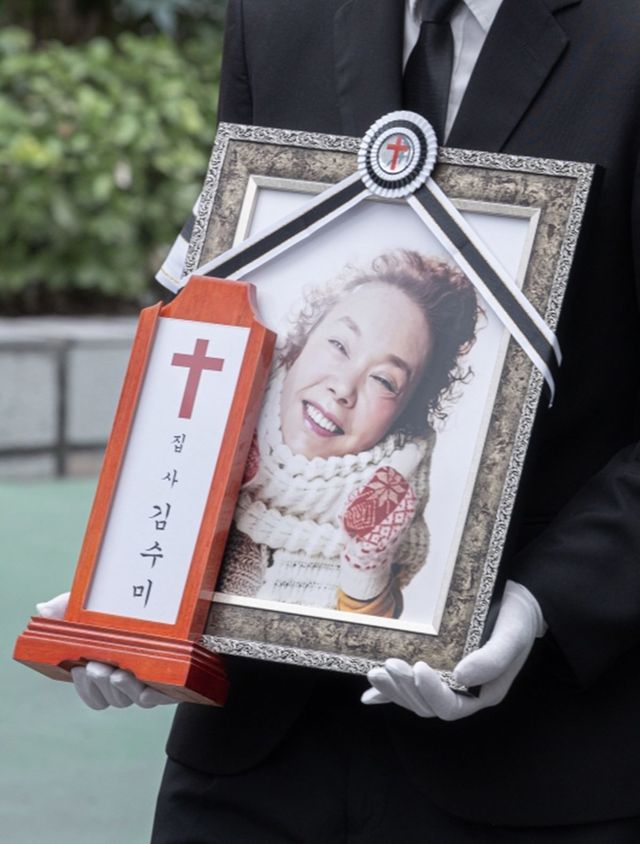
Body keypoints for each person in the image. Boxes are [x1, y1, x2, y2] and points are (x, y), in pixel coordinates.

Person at [38, 0, 640, 840]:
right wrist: (136, 581)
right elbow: (226, 291)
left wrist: (541, 604)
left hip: (532, 752)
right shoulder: (276, 17)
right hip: (254, 747)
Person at [217, 250, 480, 618]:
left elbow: (356, 641)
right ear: (304, 340)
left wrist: (365, 566)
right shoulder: (218, 397)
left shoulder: (391, 500)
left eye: (384, 380)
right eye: (339, 345)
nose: (343, 387)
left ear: (405, 414)